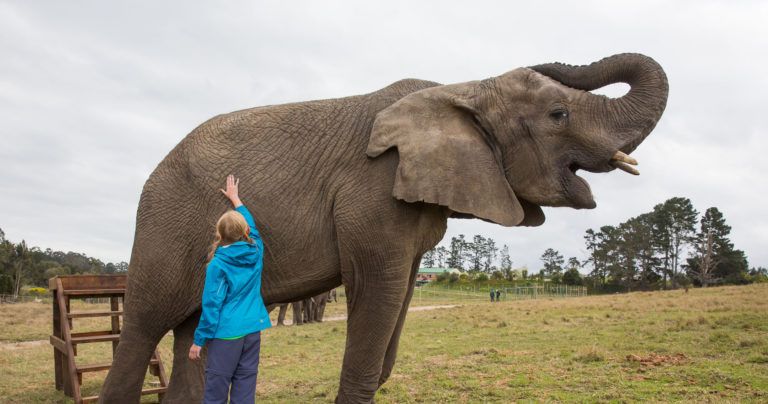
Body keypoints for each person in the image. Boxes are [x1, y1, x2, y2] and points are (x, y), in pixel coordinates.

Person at [189, 175, 272, 403]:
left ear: (220, 234)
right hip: (252, 331)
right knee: (245, 388)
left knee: (216, 390)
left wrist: (199, 340)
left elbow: (212, 305)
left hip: (228, 334)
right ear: (245, 231)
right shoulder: (257, 250)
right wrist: (236, 199)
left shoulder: (218, 264)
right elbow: (252, 226)